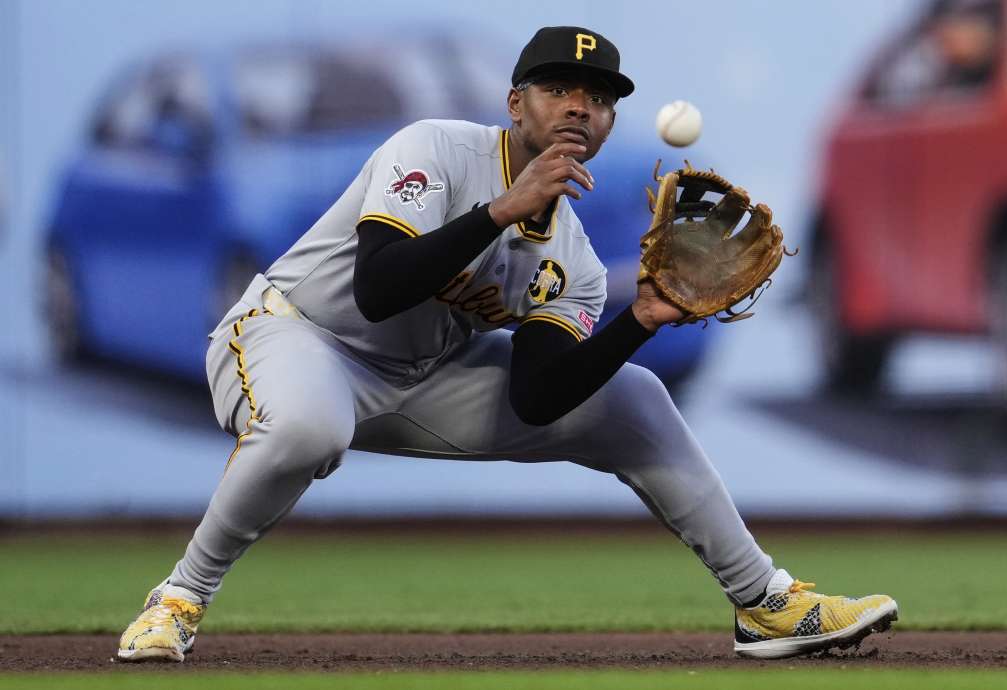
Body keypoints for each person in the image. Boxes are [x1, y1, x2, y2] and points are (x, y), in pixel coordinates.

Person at [116, 25, 897, 663]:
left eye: (597, 99)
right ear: (515, 104)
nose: (578, 108)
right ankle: (179, 598)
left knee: (637, 399)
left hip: (423, 378)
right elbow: (379, 287)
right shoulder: (433, 149)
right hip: (295, 336)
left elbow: (538, 395)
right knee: (309, 427)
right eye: (559, 89)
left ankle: (764, 604)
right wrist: (498, 210)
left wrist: (641, 320)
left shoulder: (578, 259)